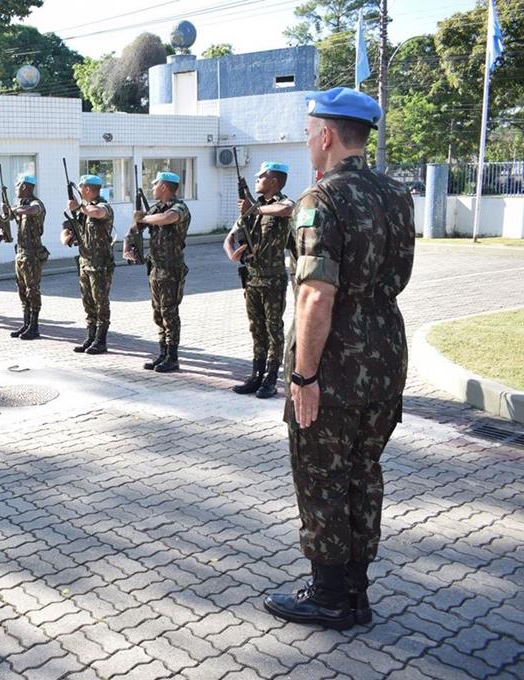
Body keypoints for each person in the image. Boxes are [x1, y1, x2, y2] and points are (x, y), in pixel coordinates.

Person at [264, 87, 415, 631]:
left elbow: (315, 295)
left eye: (308, 133)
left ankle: (329, 598)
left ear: (326, 135)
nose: (307, 143)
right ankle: (356, 592)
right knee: (363, 472)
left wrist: (304, 375)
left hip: (335, 366)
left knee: (321, 477)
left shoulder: (319, 200)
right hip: (386, 357)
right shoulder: (396, 194)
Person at [225, 162, 296, 398]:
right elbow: (230, 238)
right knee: (256, 329)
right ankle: (256, 375)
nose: (257, 181)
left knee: (273, 329)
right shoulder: (251, 208)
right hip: (251, 279)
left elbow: (287, 209)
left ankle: (271, 378)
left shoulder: (282, 204)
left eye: (261, 177)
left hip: (273, 279)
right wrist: (232, 252)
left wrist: (254, 211)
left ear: (274, 181)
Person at [125, 171, 190, 372]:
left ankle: (173, 356)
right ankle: (162, 353)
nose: (152, 188)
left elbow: (167, 218)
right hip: (155, 269)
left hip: (172, 269)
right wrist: (128, 245)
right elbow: (135, 228)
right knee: (158, 313)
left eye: (155, 185)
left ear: (164, 187)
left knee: (170, 312)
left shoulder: (179, 208)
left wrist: (145, 218)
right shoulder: (154, 210)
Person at [63, 175, 114, 354]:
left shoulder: (103, 206)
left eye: (81, 188)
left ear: (87, 189)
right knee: (88, 303)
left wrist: (79, 207)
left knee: (101, 303)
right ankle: (91, 336)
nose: (79, 191)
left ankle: (101, 340)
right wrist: (69, 236)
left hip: (100, 264)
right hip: (85, 262)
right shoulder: (83, 212)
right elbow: (71, 228)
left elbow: (98, 213)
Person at [0, 174, 47, 340]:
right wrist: (5, 212)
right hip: (21, 253)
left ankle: (34, 326)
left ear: (25, 187)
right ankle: (26, 323)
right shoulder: (20, 205)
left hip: (32, 253)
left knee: (32, 290)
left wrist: (13, 209)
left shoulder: (36, 204)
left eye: (17, 186)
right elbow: (6, 218)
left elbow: (31, 210)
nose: (16, 189)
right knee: (22, 290)